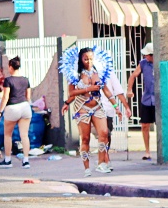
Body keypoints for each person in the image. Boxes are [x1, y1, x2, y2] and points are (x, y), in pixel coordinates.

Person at [63, 47, 119, 176]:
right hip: (82, 108)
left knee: (104, 133)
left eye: (91, 58)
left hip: (98, 106)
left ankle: (101, 164)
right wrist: (87, 89)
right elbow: (72, 92)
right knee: (86, 138)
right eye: (86, 59)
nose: (89, 61)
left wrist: (116, 106)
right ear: (81, 60)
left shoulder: (98, 72)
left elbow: (106, 90)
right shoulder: (75, 74)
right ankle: (87, 168)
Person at [0, 56, 33, 169]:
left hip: (12, 108)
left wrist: (0, 111)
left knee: (8, 135)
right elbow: (28, 96)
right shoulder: (26, 80)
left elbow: (5, 97)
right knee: (24, 135)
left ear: (11, 67)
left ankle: (7, 160)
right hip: (25, 107)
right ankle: (26, 161)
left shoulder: (8, 80)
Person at [127, 42, 156, 161]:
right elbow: (133, 76)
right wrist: (129, 89)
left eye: (147, 55)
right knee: (144, 125)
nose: (145, 57)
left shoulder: (160, 63)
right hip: (147, 99)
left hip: (159, 99)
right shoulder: (143, 63)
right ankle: (147, 151)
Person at [100, 71, 132, 170]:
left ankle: (105, 158)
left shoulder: (108, 72)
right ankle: (104, 159)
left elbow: (118, 91)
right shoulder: (86, 72)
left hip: (108, 110)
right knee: (102, 135)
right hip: (93, 110)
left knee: (107, 135)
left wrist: (125, 107)